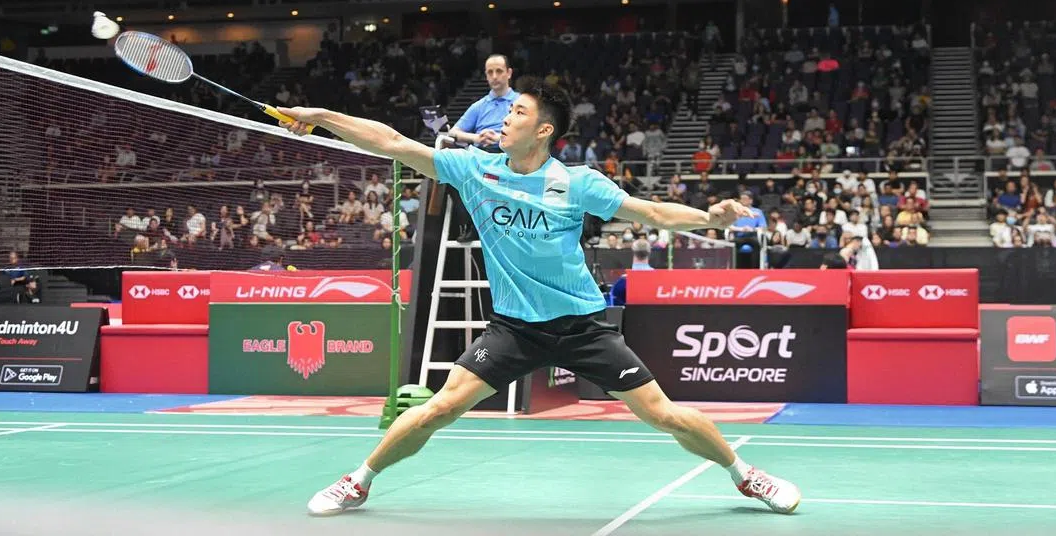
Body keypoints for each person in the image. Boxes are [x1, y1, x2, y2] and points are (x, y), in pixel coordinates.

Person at [277, 80, 801, 518]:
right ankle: (359, 481)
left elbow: (654, 214)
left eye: (518, 112)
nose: (504, 118)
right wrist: (319, 116)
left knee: (663, 414)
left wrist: (711, 218)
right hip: (513, 330)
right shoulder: (471, 168)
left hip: (582, 328)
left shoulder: (576, 184)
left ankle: (745, 475)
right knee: (440, 408)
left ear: (543, 129)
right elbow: (391, 142)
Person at [448, 54, 519, 152]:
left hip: (512, 153)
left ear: (509, 73)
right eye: (490, 72)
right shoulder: (478, 106)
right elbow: (453, 132)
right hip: (481, 154)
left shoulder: (521, 101)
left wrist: (500, 137)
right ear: (486, 76)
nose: (494, 76)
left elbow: (530, 132)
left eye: (499, 71)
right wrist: (476, 138)